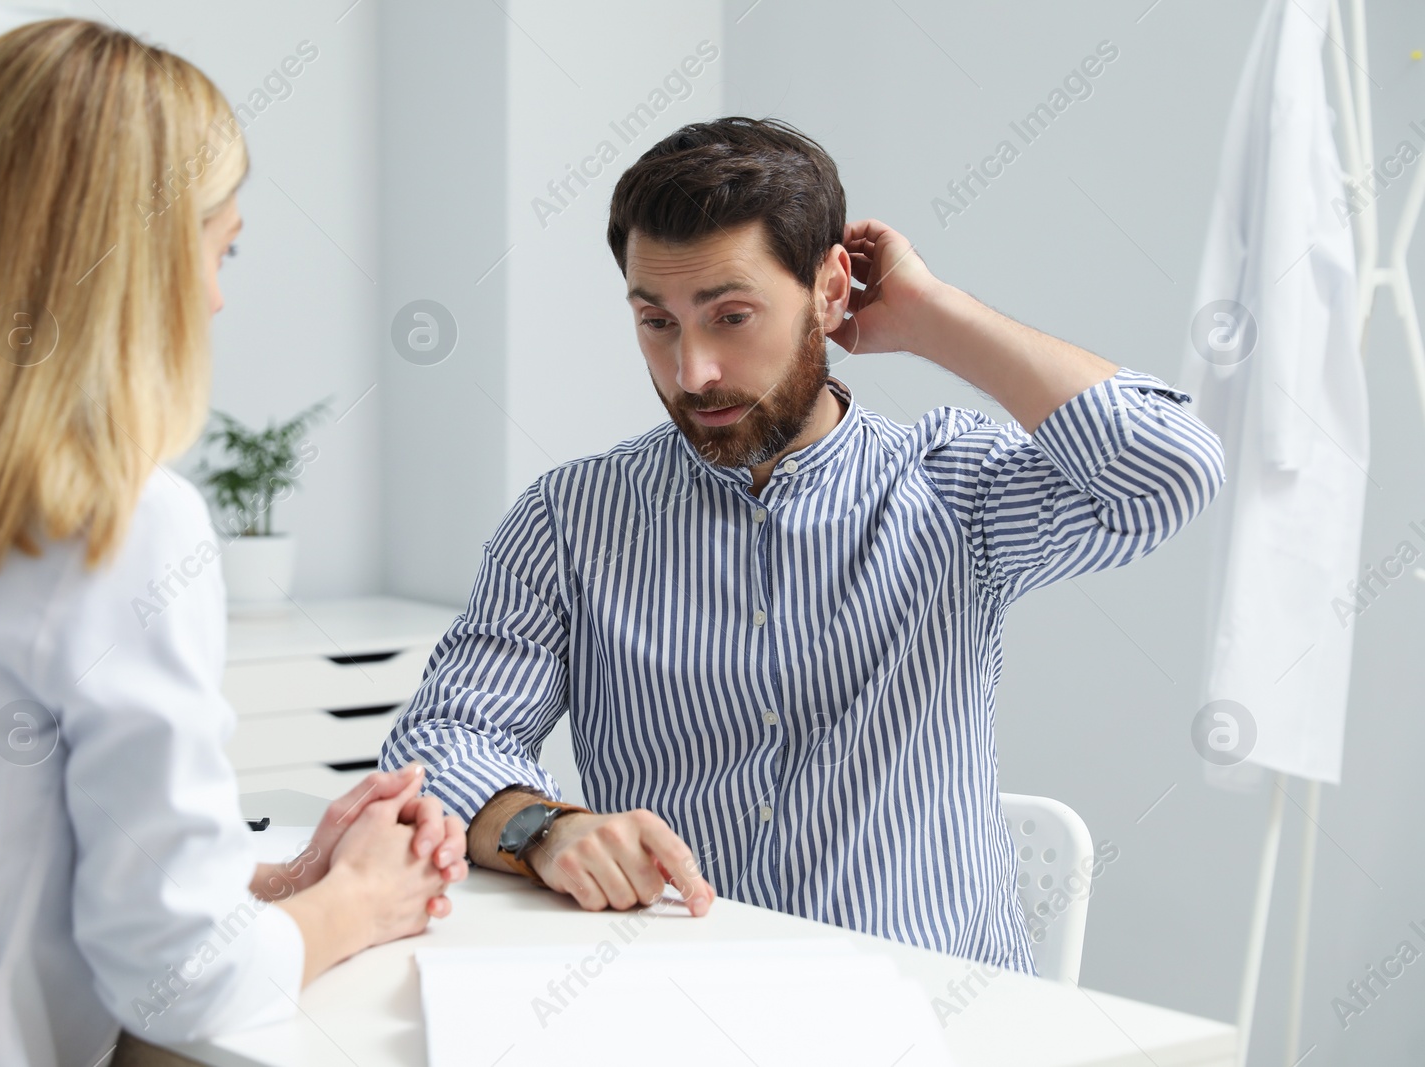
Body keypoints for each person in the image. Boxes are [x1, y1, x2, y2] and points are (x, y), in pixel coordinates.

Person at [380, 116, 1226, 973]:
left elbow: (1173, 470)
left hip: (926, 1018)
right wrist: (544, 828)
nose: (693, 371)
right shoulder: (571, 519)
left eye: (732, 315)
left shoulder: (952, 486)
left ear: (829, 289)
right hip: (674, 1000)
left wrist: (934, 318)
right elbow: (441, 742)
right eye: (657, 322)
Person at [0, 19, 465, 1067]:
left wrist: (267, 880)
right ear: (138, 263)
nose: (217, 295)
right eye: (222, 246)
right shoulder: (116, 524)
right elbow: (179, 980)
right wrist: (359, 898)